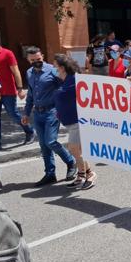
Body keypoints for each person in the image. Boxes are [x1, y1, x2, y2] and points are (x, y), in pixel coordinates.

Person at [22, 47, 77, 187]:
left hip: (52, 111)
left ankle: (71, 162)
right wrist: (26, 113)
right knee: (43, 145)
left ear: (43, 56)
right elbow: (30, 95)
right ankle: (50, 174)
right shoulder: (29, 73)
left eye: (38, 59)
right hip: (37, 113)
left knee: (50, 141)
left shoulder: (53, 70)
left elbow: (65, 86)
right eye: (32, 60)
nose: (36, 62)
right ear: (28, 60)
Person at [53, 54, 97, 190]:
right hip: (69, 121)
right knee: (80, 150)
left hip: (78, 121)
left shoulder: (75, 80)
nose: (54, 68)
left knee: (73, 149)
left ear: (62, 67)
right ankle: (85, 174)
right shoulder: (63, 79)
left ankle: (86, 174)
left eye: (55, 66)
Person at [0, 35, 34, 150]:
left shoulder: (7, 53)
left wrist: (20, 88)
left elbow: (16, 71)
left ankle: (29, 131)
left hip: (8, 91)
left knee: (13, 114)